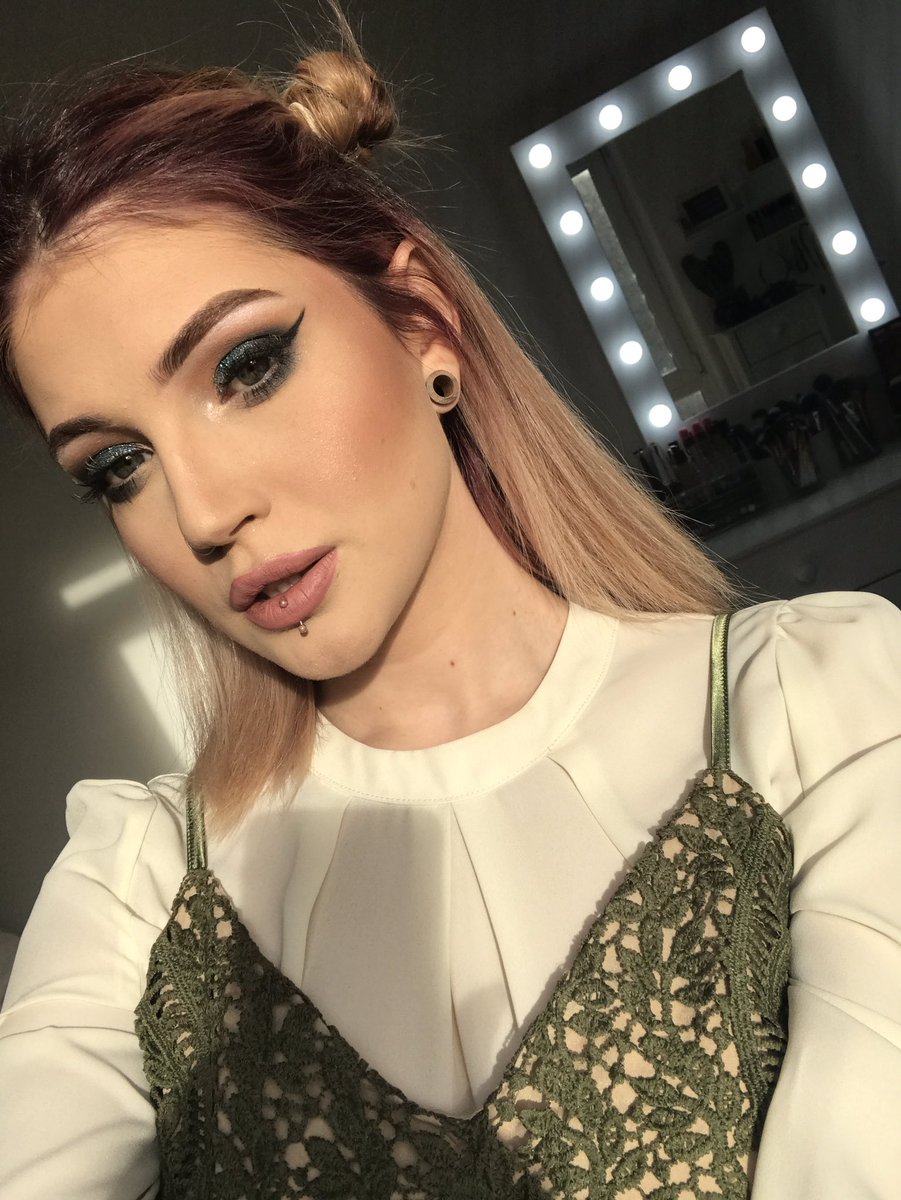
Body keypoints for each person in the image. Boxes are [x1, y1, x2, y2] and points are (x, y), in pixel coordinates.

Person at [0, 14, 899, 1200]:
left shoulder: (822, 709)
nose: (205, 511)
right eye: (119, 466)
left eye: (246, 366)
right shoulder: (137, 881)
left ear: (422, 321)